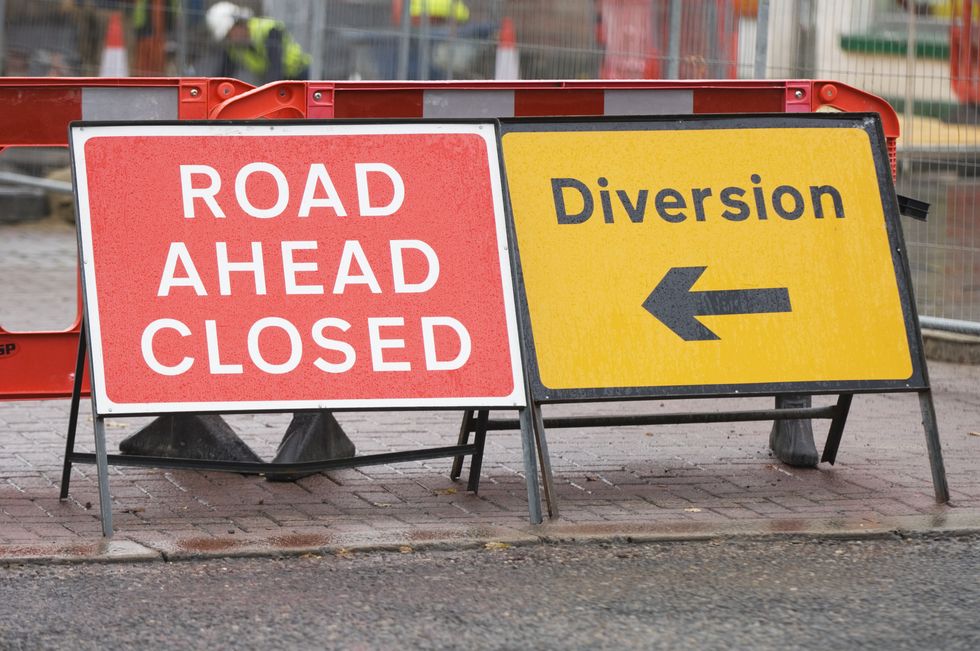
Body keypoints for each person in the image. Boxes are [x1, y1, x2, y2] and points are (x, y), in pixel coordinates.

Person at [205, 1, 310, 84]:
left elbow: (276, 67)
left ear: (238, 23)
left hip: (302, 74)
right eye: (227, 36)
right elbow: (223, 74)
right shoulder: (235, 48)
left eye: (229, 33)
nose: (231, 38)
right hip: (277, 80)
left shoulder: (269, 29)